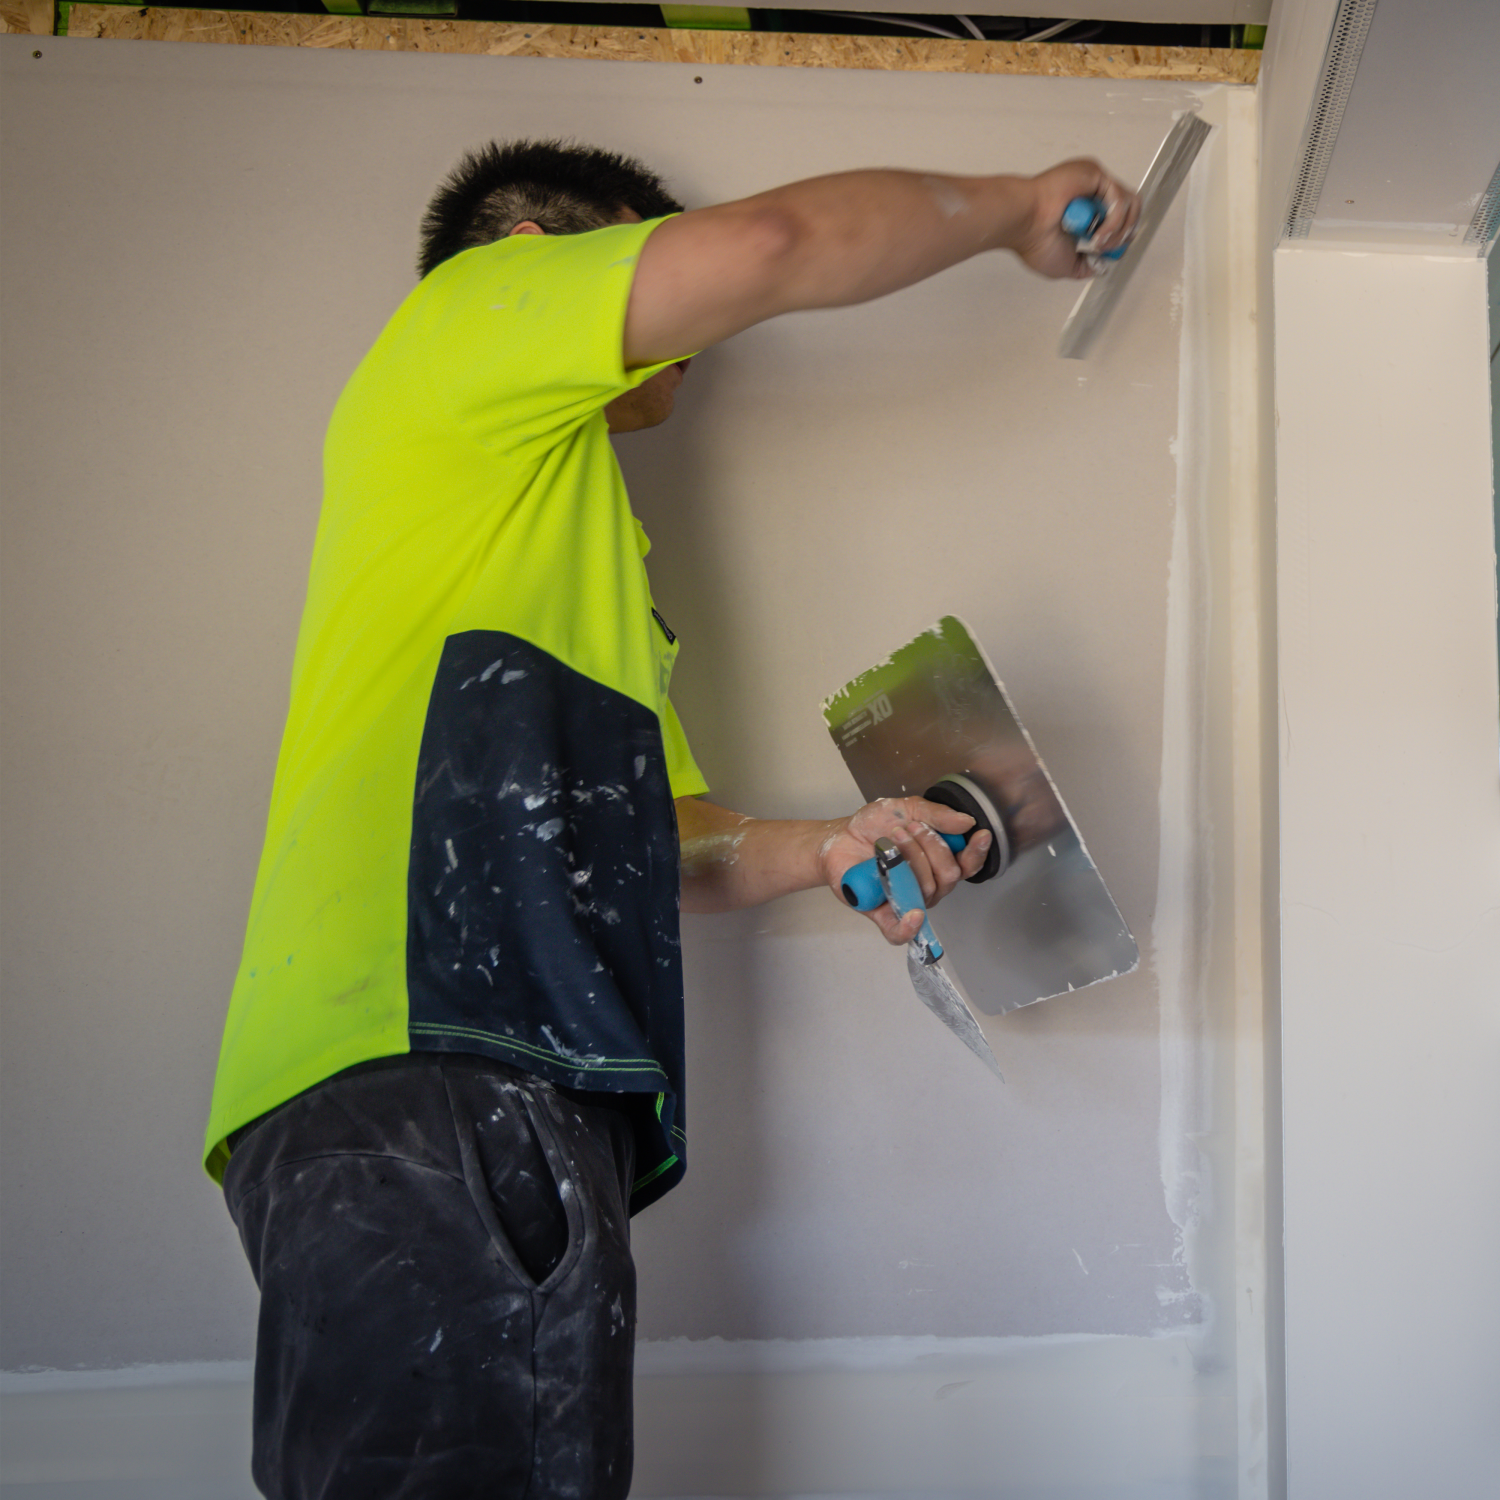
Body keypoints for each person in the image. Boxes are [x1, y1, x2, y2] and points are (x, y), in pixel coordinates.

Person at [204, 138, 1138, 1500]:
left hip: (492, 1085)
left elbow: (663, 839)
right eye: (638, 247)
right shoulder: (471, 312)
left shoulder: (556, 549)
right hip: (437, 1059)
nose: (692, 350)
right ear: (540, 251)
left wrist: (827, 846)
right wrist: (1015, 210)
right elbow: (771, 246)